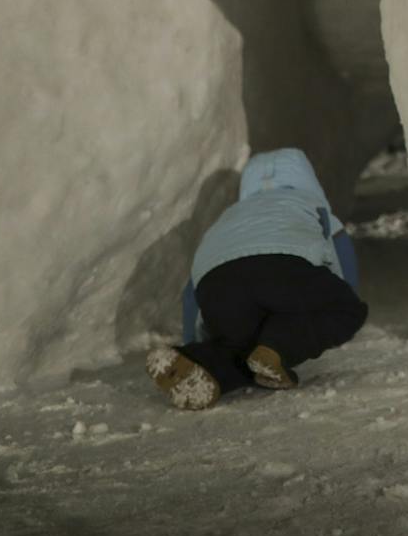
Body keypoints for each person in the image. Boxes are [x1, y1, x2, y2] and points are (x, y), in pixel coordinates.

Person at [147, 148, 367, 411]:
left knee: (238, 346)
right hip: (282, 267)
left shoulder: (229, 215)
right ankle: (278, 347)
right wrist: (337, 308)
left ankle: (198, 362)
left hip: (217, 282)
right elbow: (343, 264)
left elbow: (191, 294)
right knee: (346, 310)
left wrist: (195, 339)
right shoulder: (311, 206)